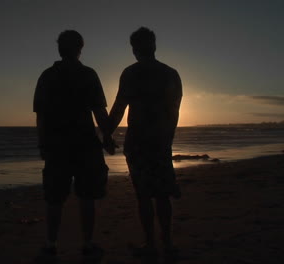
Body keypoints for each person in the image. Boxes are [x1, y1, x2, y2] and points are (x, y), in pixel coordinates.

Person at [33, 30, 115, 260]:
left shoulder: (48, 76)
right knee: (87, 196)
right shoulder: (88, 75)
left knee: (54, 197)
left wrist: (42, 143)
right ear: (80, 48)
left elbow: (41, 115)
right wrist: (107, 137)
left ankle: (51, 243)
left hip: (57, 145)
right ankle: (87, 243)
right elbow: (99, 111)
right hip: (85, 144)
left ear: (60, 49)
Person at [108, 27, 182, 260]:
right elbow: (175, 111)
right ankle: (167, 242)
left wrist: (105, 134)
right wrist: (168, 137)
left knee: (143, 195)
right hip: (160, 141)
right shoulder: (171, 74)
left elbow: (119, 107)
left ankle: (151, 243)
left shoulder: (131, 73)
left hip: (138, 141)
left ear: (134, 49)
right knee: (162, 194)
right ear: (154, 46)